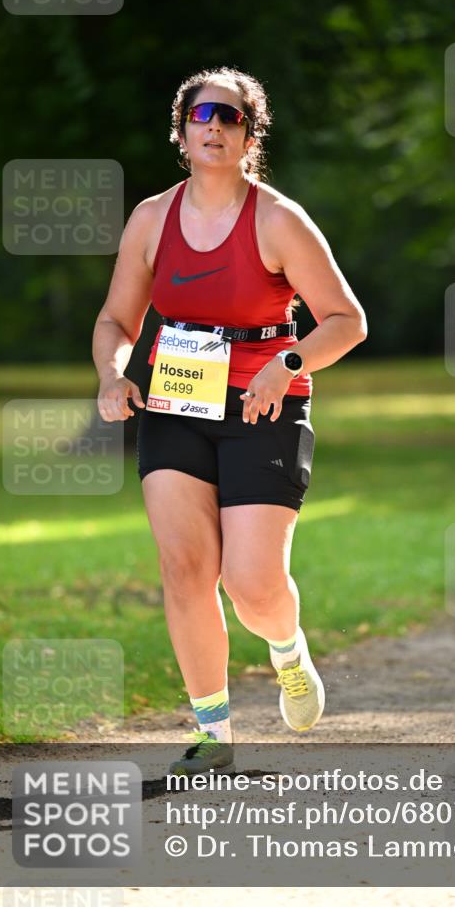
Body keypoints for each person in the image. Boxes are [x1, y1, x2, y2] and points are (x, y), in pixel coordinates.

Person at [92, 66, 367, 773]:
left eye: (231, 117)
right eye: (201, 116)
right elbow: (118, 318)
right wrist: (112, 372)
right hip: (177, 400)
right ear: (181, 132)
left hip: (263, 402)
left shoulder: (277, 218)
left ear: (250, 135)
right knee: (185, 568)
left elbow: (345, 321)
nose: (214, 128)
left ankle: (287, 649)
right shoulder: (153, 217)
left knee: (251, 586)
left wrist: (290, 365)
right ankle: (213, 735)